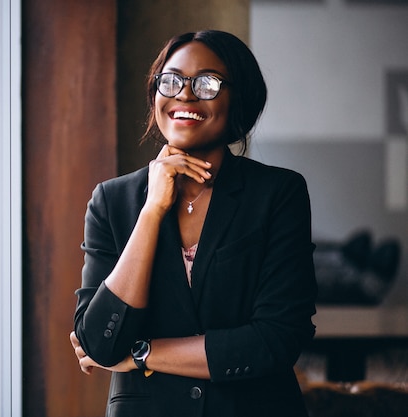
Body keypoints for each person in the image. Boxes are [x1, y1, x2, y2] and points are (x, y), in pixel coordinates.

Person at [70, 30, 317, 417]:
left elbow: (277, 339)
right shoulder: (112, 201)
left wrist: (141, 353)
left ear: (239, 98)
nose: (185, 94)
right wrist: (152, 211)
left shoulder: (278, 193)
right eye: (170, 80)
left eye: (207, 83)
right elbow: (100, 344)